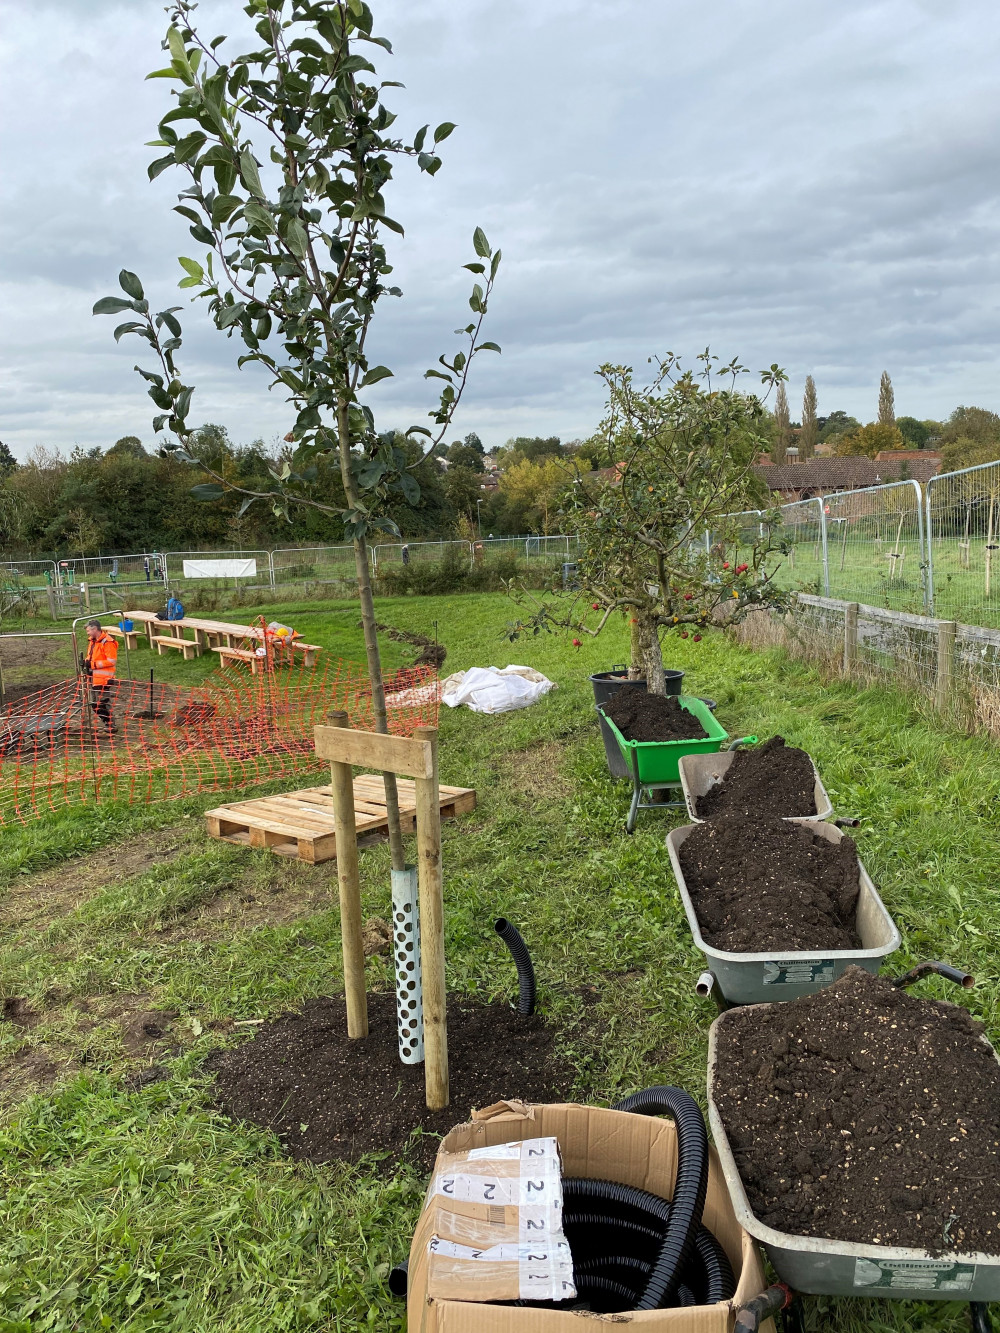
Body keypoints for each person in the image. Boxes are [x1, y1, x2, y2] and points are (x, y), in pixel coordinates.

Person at [83, 620, 118, 734]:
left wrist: (92, 665)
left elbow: (111, 661)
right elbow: (92, 657)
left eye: (88, 630)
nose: (87, 633)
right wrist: (85, 663)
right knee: (95, 704)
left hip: (103, 678)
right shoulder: (93, 642)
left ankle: (111, 725)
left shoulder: (107, 642)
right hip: (94, 677)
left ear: (94, 629)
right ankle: (108, 723)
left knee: (102, 702)